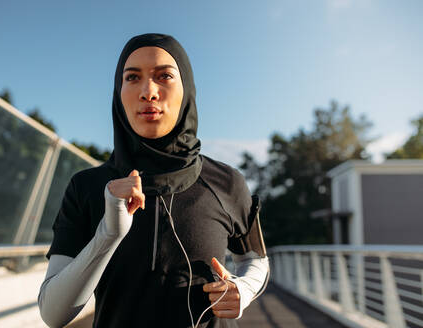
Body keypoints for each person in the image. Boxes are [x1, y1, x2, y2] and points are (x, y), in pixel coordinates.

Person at [38, 33, 269, 328]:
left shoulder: (227, 182)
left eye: (164, 76)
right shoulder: (86, 187)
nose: (148, 92)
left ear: (187, 89)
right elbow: (53, 315)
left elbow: (255, 259)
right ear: (118, 92)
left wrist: (244, 289)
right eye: (132, 78)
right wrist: (108, 234)